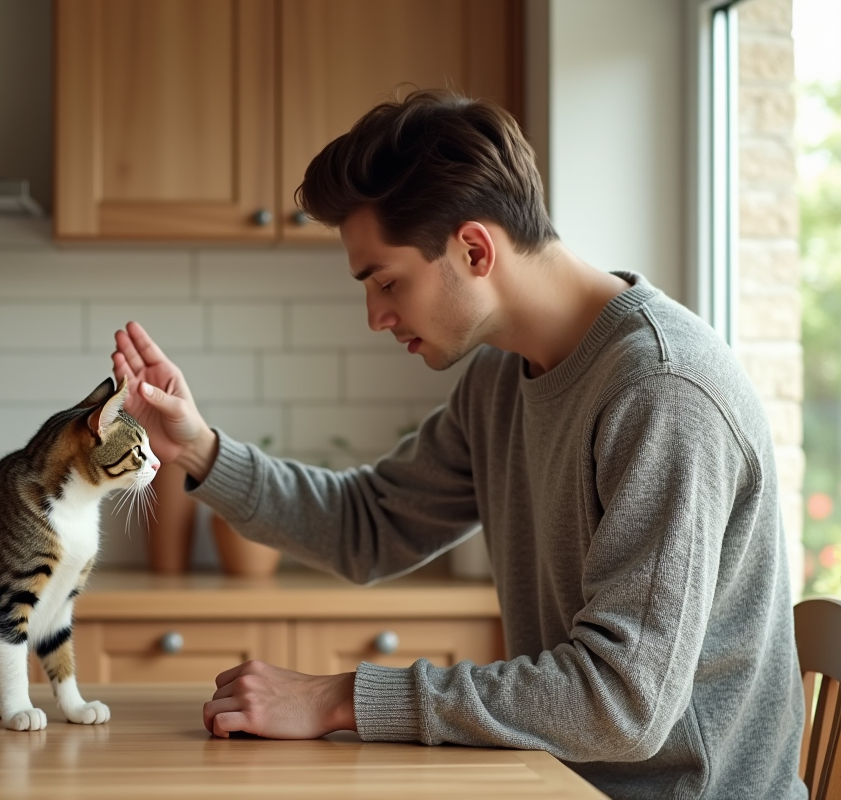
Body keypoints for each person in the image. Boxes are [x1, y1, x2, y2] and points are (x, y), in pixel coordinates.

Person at [110, 90, 807, 800]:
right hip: (563, 784)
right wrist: (197, 449)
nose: (376, 316)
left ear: (474, 249)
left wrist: (338, 698)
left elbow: (620, 702)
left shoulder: (662, 391)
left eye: (386, 281)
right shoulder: (503, 379)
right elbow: (371, 524)